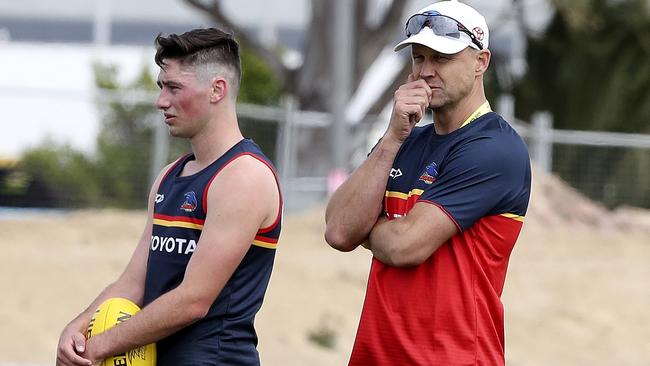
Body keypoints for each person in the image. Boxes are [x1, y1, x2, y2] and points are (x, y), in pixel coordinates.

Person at [56, 27, 283, 366]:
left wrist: (101, 346)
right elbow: (134, 282)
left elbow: (194, 300)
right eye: (162, 86)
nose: (161, 100)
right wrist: (79, 328)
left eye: (175, 87)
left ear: (217, 90)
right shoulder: (169, 177)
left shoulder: (244, 176)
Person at [325, 1, 531, 365]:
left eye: (443, 58)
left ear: (481, 62)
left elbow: (406, 247)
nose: (426, 71)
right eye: (419, 58)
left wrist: (369, 229)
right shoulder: (402, 141)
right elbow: (340, 231)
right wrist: (391, 138)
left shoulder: (495, 147)